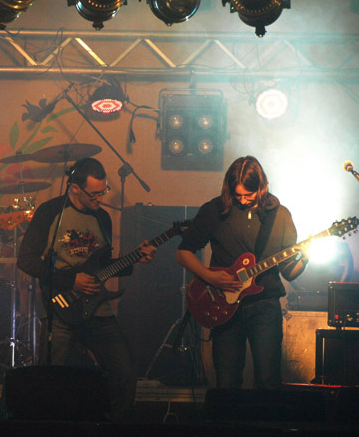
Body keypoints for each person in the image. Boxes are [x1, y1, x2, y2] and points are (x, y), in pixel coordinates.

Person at [17, 157, 156, 421]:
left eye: (103, 192)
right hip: (61, 309)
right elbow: (26, 260)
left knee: (125, 373)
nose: (100, 198)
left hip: (97, 310)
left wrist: (136, 258)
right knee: (51, 379)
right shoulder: (50, 211)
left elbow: (102, 266)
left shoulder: (102, 217)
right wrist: (71, 280)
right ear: (75, 188)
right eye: (94, 194)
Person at [176, 155, 309, 389]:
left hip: (265, 305)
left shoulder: (280, 215)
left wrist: (305, 258)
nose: (243, 200)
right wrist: (210, 276)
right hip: (223, 304)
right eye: (237, 195)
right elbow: (182, 253)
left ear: (261, 187)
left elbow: (289, 273)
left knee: (268, 380)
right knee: (227, 381)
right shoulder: (216, 210)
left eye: (249, 194)